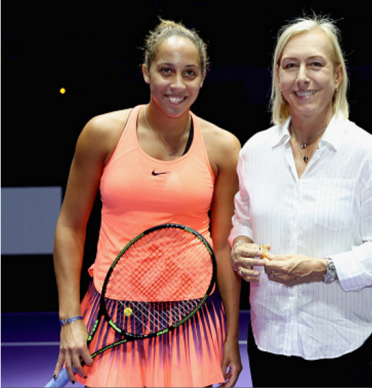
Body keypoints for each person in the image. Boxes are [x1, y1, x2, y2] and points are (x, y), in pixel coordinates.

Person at [51, 19, 242, 387]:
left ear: (203, 78)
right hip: (111, 312)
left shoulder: (224, 147)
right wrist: (70, 319)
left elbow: (223, 246)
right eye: (166, 71)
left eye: (189, 73)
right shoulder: (101, 133)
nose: (177, 85)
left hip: (193, 318)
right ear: (145, 72)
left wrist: (232, 334)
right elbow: (69, 227)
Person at [229, 15, 372, 387]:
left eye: (315, 64)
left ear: (338, 75)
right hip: (270, 344)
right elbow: (242, 222)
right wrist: (241, 246)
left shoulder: (367, 154)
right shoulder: (254, 152)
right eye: (290, 65)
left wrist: (320, 268)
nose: (302, 77)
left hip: (348, 347)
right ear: (278, 76)